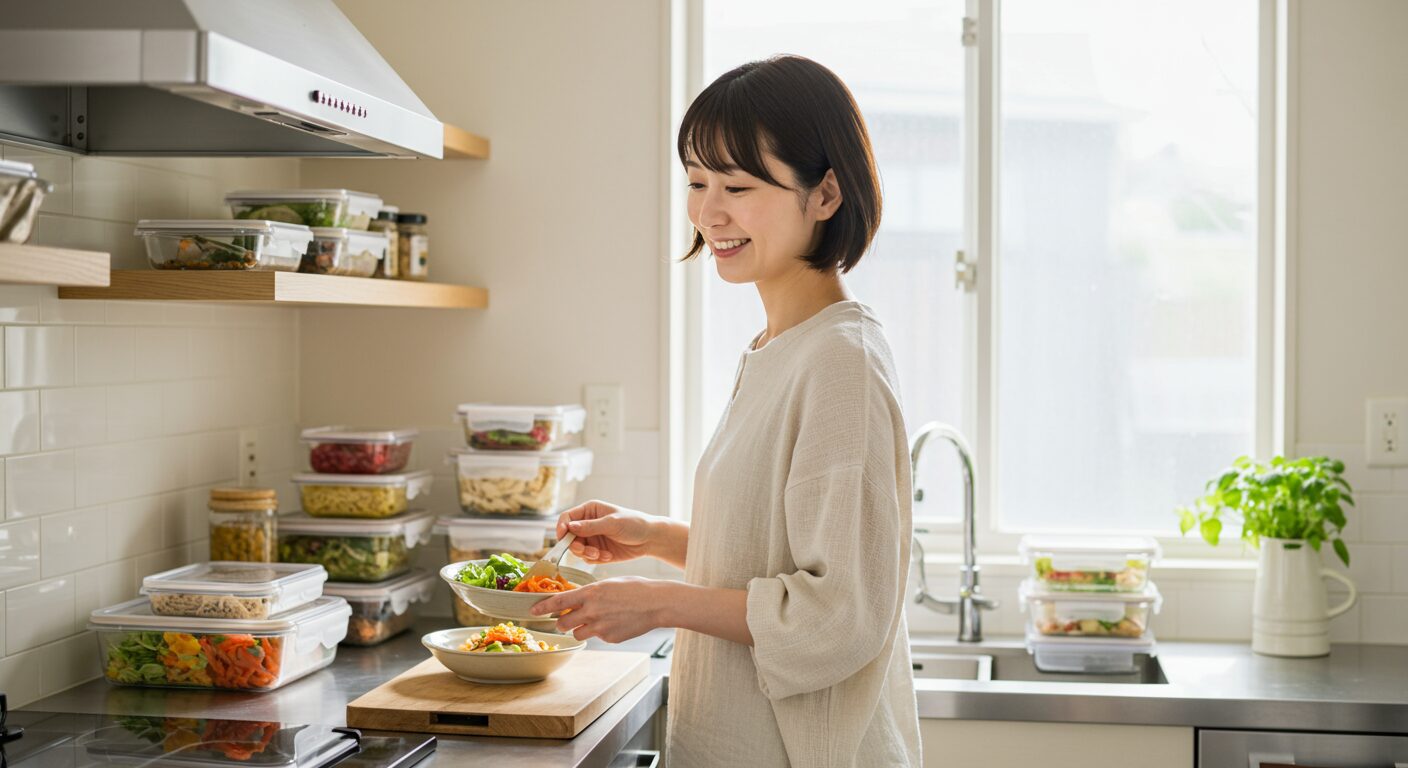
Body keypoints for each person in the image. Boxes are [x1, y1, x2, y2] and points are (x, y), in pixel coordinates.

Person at [530, 54, 921, 767]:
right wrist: (656, 536)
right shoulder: (777, 348)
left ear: (826, 194)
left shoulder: (842, 363)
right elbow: (775, 552)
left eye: (737, 185)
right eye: (697, 181)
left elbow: (841, 612)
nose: (710, 212)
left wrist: (659, 603)